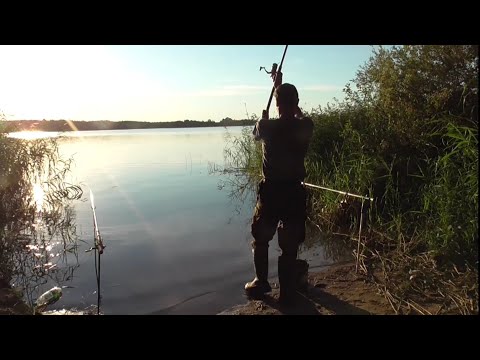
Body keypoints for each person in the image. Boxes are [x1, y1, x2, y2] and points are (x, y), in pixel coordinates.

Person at [245, 72, 314, 306]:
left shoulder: (266, 126)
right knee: (289, 244)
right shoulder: (306, 126)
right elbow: (298, 116)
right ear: (296, 103)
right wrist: (279, 87)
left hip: (272, 192)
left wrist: (263, 117)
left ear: (277, 104)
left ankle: (260, 281)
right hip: (294, 192)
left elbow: (256, 135)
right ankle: (287, 293)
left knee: (261, 238)